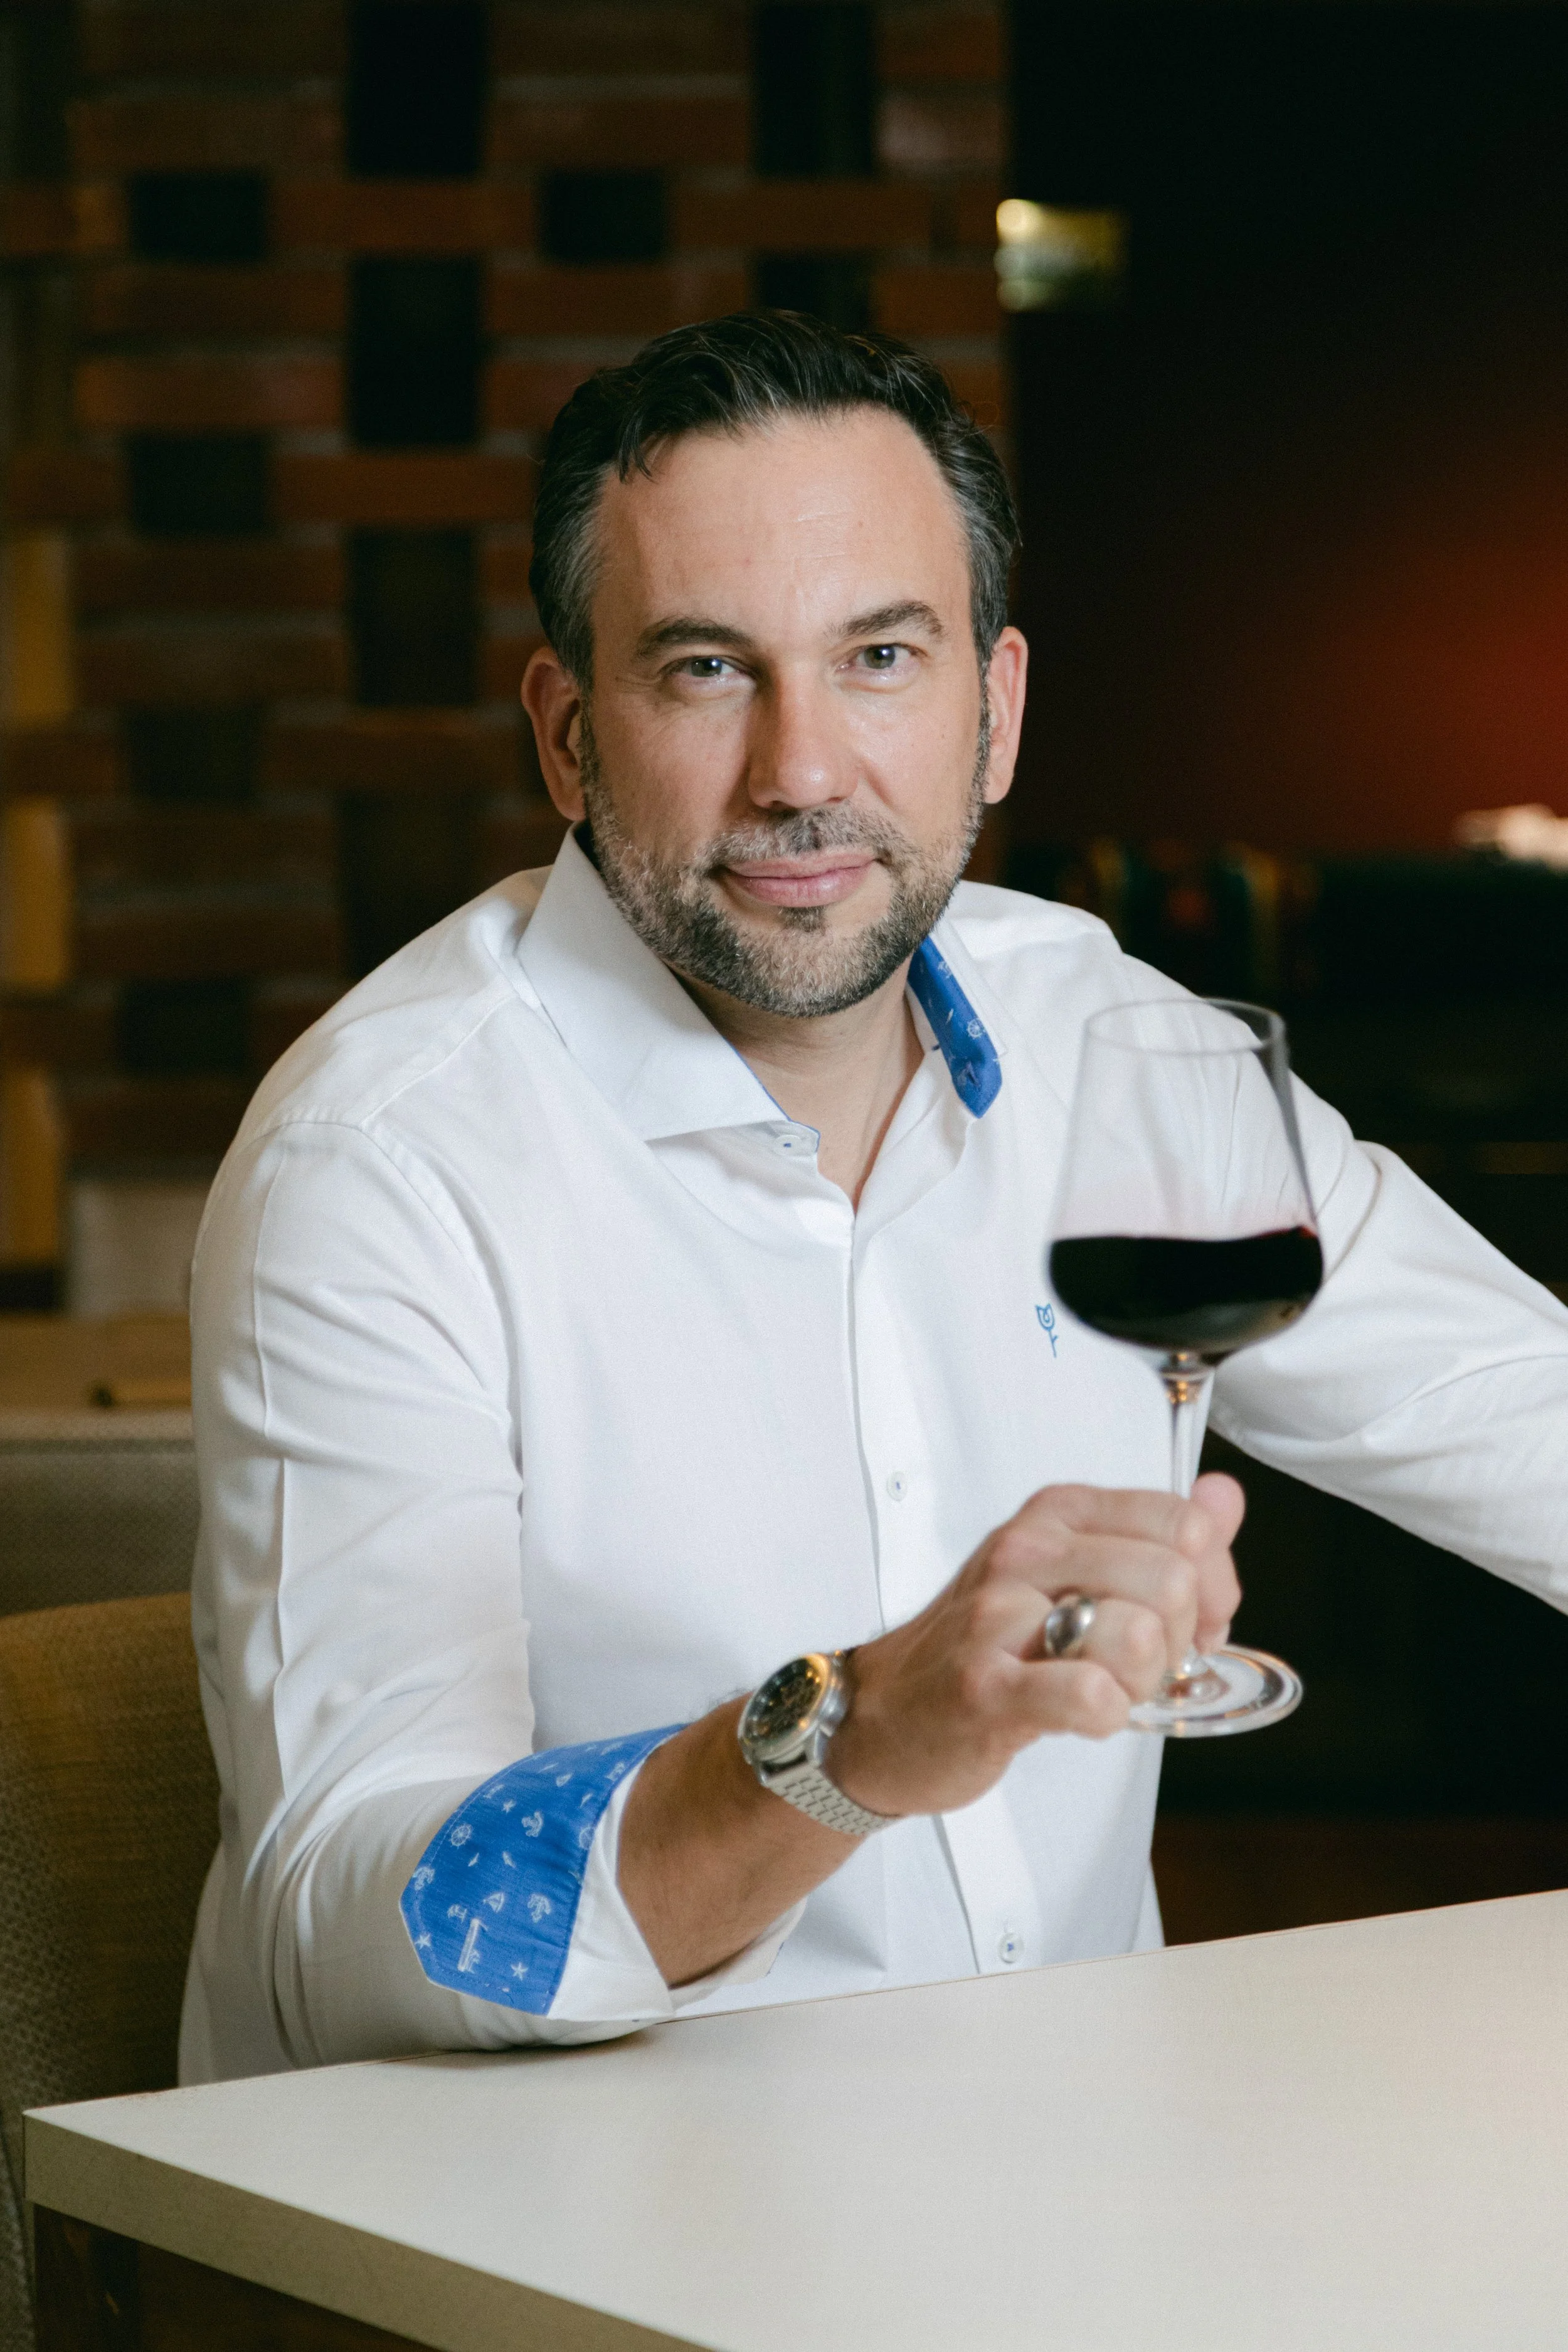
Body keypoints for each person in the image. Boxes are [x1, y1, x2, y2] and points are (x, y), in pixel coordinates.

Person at [182, 312, 1568, 2083]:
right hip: (543, 2202)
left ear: (996, 712)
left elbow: (1526, 1414)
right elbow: (344, 1938)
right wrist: (836, 1745)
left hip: (1070, 2166)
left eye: (881, 658)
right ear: (568, 736)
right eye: (706, 669)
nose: (804, 772)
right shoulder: (380, 1165)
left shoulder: (1111, 1046)